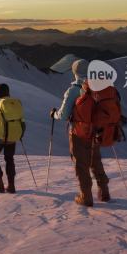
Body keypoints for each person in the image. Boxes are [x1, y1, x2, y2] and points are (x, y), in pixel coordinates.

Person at [50, 59, 110, 207]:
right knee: (95, 161)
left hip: (79, 133)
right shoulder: (98, 88)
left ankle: (86, 196)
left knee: (81, 165)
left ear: (74, 72)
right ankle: (104, 193)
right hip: (95, 131)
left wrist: (54, 114)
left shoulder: (74, 90)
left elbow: (63, 115)